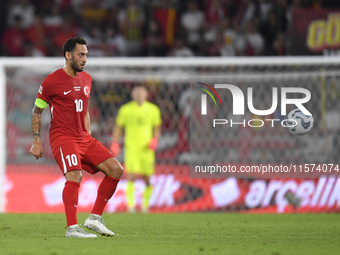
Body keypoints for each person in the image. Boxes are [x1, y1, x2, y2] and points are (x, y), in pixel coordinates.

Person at [30, 37, 123, 238]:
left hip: (83, 138)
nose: (85, 59)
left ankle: (94, 219)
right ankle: (72, 228)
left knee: (116, 170)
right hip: (62, 137)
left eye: (86, 55)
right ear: (68, 55)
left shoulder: (87, 79)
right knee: (75, 175)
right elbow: (37, 112)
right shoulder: (51, 81)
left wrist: (88, 135)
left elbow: (85, 110)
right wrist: (36, 141)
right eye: (81, 55)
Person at [111, 86, 161, 213]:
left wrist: (155, 139)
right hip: (132, 147)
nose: (139, 95)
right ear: (133, 95)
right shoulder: (126, 109)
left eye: (141, 93)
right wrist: (115, 142)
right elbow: (118, 126)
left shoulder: (153, 110)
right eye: (137, 93)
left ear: (146, 95)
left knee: (147, 178)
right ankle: (131, 205)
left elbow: (157, 127)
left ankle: (145, 204)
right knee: (131, 175)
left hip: (146, 149)